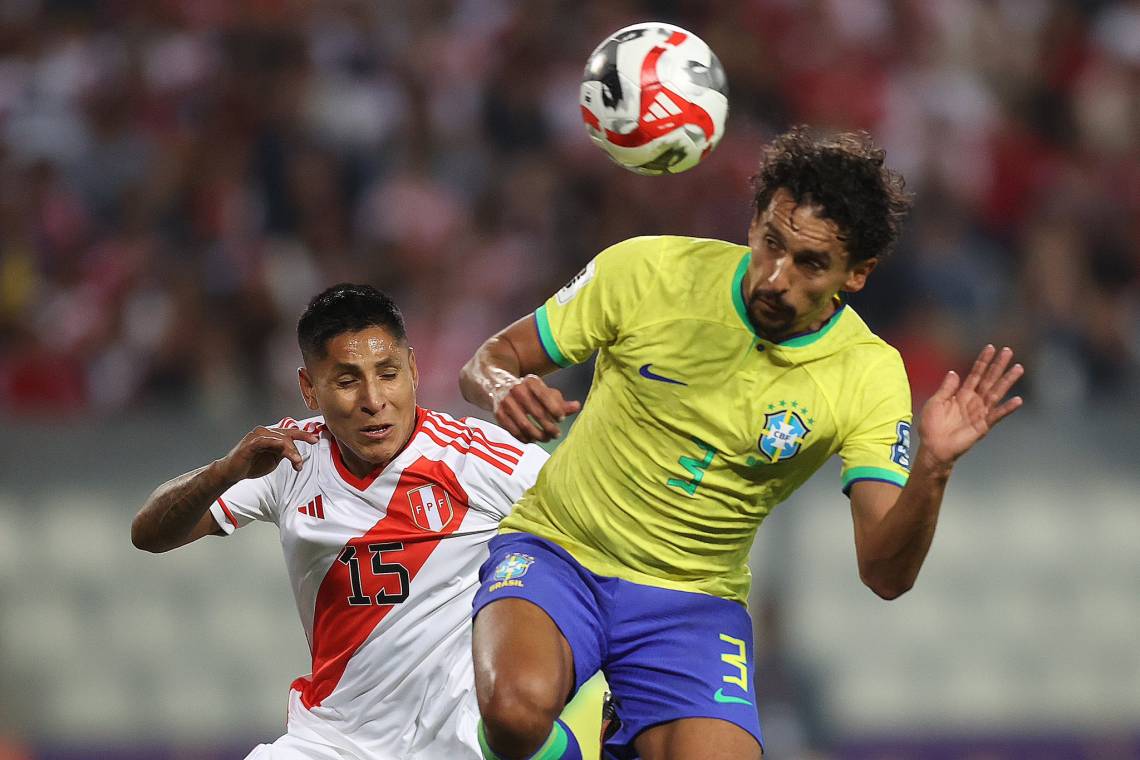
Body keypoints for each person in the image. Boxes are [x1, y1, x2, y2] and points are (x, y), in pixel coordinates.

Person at [459, 126, 1025, 760]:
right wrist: (503, 386)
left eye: (810, 263)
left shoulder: (867, 374)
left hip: (692, 605)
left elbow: (885, 575)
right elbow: (491, 357)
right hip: (561, 550)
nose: (776, 278)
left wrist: (934, 467)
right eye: (771, 243)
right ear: (754, 221)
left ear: (857, 273)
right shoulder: (648, 270)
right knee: (512, 710)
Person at [131, 284, 597, 759]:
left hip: (458, 743)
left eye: (389, 374)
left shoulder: (475, 457)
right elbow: (149, 534)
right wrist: (226, 470)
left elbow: (601, 530)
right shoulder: (289, 460)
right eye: (347, 380)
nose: (374, 399)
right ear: (309, 389)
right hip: (331, 743)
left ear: (413, 370)